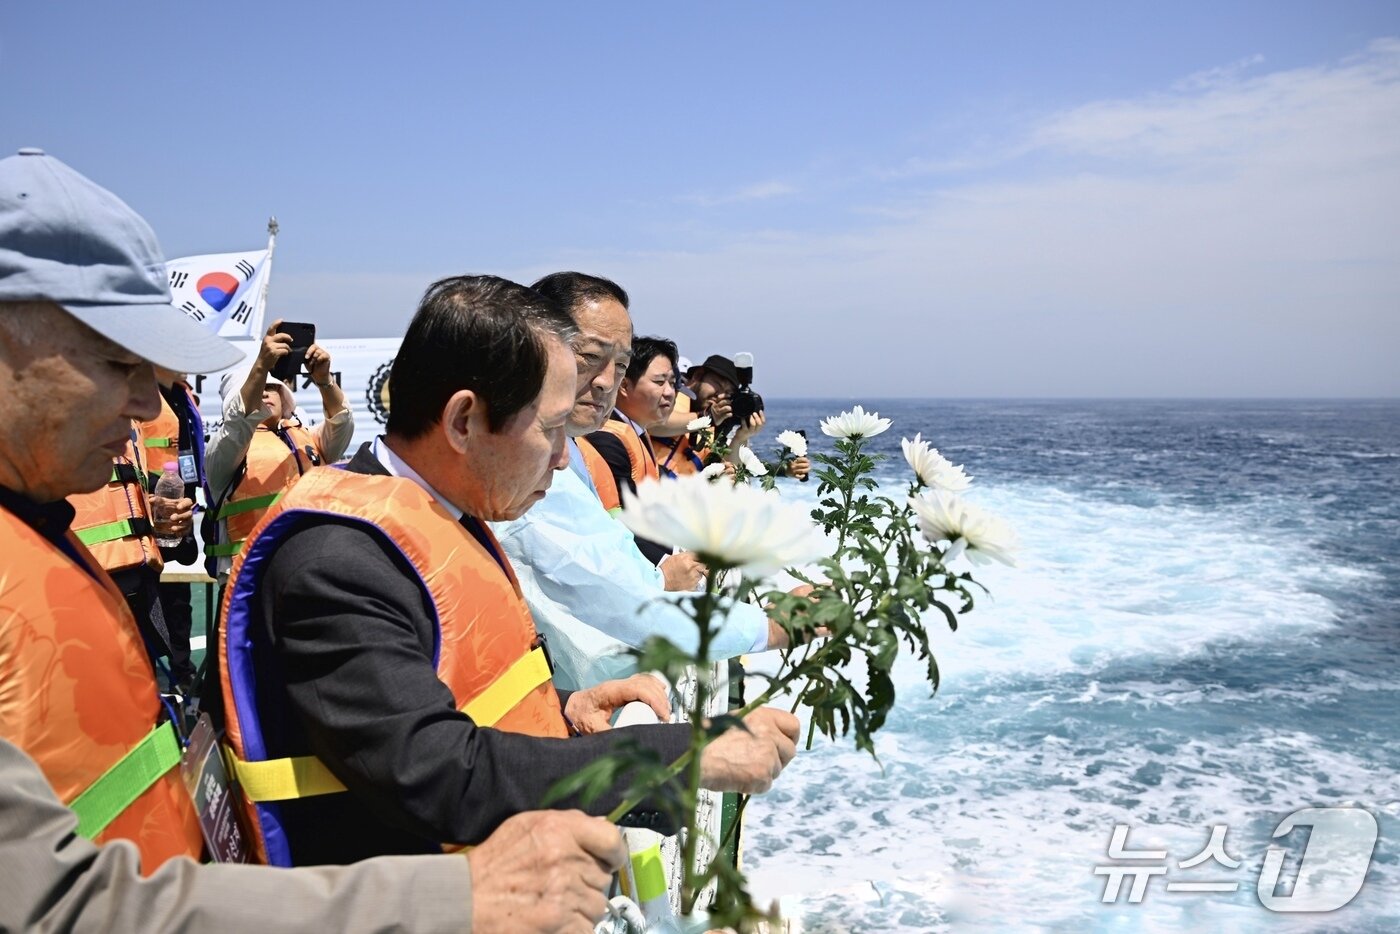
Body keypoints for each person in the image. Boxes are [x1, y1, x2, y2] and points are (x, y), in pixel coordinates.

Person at [0, 148, 626, 933]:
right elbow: (56, 902)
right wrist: (459, 900)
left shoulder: (35, 524)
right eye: (119, 362)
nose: (143, 406)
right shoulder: (336, 558)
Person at [217, 274, 799, 867]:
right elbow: (434, 772)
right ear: (464, 421)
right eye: (548, 430)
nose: (564, 456)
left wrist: (569, 706)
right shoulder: (336, 565)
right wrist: (674, 753)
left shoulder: (450, 514)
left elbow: (456, 695)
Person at [493, 273, 796, 690]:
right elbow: (621, 599)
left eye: (618, 365)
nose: (604, 381)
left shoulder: (575, 449)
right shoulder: (526, 463)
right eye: (589, 356)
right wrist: (773, 626)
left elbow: (613, 557)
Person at [202, 321, 353, 578]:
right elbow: (239, 420)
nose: (265, 393)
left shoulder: (307, 438)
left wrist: (324, 380)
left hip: (310, 570)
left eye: (272, 387)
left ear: (285, 397)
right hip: (250, 578)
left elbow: (342, 422)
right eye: (259, 387)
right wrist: (261, 366)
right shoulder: (223, 450)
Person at [586, 335, 678, 564]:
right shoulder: (606, 441)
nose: (670, 392)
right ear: (624, 386)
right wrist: (673, 563)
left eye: (673, 383)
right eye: (659, 382)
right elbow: (626, 525)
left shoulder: (636, 432)